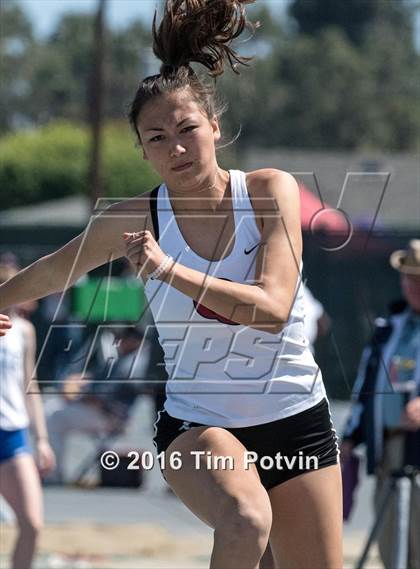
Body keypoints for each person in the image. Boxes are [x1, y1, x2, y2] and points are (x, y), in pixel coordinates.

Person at [0, 1, 342, 567]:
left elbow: (273, 309)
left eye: (186, 129)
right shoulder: (135, 218)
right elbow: (56, 269)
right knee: (245, 519)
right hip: (197, 425)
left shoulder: (267, 192)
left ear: (214, 126)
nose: (176, 148)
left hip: (296, 417)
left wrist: (167, 269)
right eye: (156, 138)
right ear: (142, 149)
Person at [341, 239, 420, 569]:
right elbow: (366, 386)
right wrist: (349, 436)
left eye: (417, 279)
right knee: (390, 544)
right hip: (389, 449)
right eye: (407, 277)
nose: (411, 285)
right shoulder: (388, 328)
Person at [0, 263, 56, 569]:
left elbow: (29, 383)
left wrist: (43, 439)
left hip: (11, 433)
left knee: (32, 523)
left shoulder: (23, 329)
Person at [45, 326, 151, 484]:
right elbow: (97, 380)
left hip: (110, 417)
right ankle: (53, 472)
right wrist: (80, 382)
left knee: (53, 415)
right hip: (104, 413)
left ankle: (53, 475)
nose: (119, 342)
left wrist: (76, 397)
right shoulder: (129, 358)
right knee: (52, 408)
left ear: (135, 341)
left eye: (123, 338)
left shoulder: (130, 364)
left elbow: (101, 398)